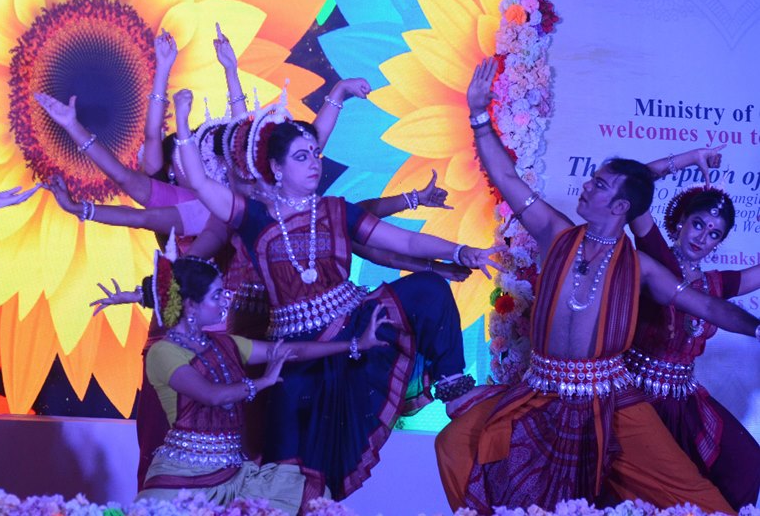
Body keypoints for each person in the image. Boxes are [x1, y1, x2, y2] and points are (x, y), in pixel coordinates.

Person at [434, 58, 760, 514]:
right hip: (542, 390)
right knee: (454, 446)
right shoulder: (555, 230)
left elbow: (707, 307)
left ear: (620, 204)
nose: (585, 186)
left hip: (611, 397)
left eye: (599, 183)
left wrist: (756, 328)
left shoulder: (641, 265)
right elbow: (506, 178)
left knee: (701, 502)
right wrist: (478, 116)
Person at [171, 86, 501, 504]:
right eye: (302, 157)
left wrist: (461, 251)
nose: (315, 163)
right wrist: (182, 116)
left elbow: (406, 243)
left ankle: (453, 387)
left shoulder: (336, 210)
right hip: (296, 351)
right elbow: (199, 180)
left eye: (316, 154)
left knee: (429, 290)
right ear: (275, 167)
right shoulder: (252, 216)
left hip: (356, 322)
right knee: (288, 466)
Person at [136, 254, 391, 515]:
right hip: (183, 480)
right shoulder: (163, 352)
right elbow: (212, 396)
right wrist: (263, 381)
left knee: (308, 495)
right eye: (216, 295)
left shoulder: (226, 344)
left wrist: (356, 344)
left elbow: (289, 351)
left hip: (235, 476)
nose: (225, 300)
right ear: (191, 305)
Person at [625, 147, 760, 510]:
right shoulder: (656, 255)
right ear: (680, 220)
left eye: (715, 233)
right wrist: (689, 158)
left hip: (684, 400)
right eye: (698, 224)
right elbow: (632, 183)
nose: (702, 237)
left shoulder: (716, 283)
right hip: (636, 396)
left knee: (747, 467)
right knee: (647, 491)